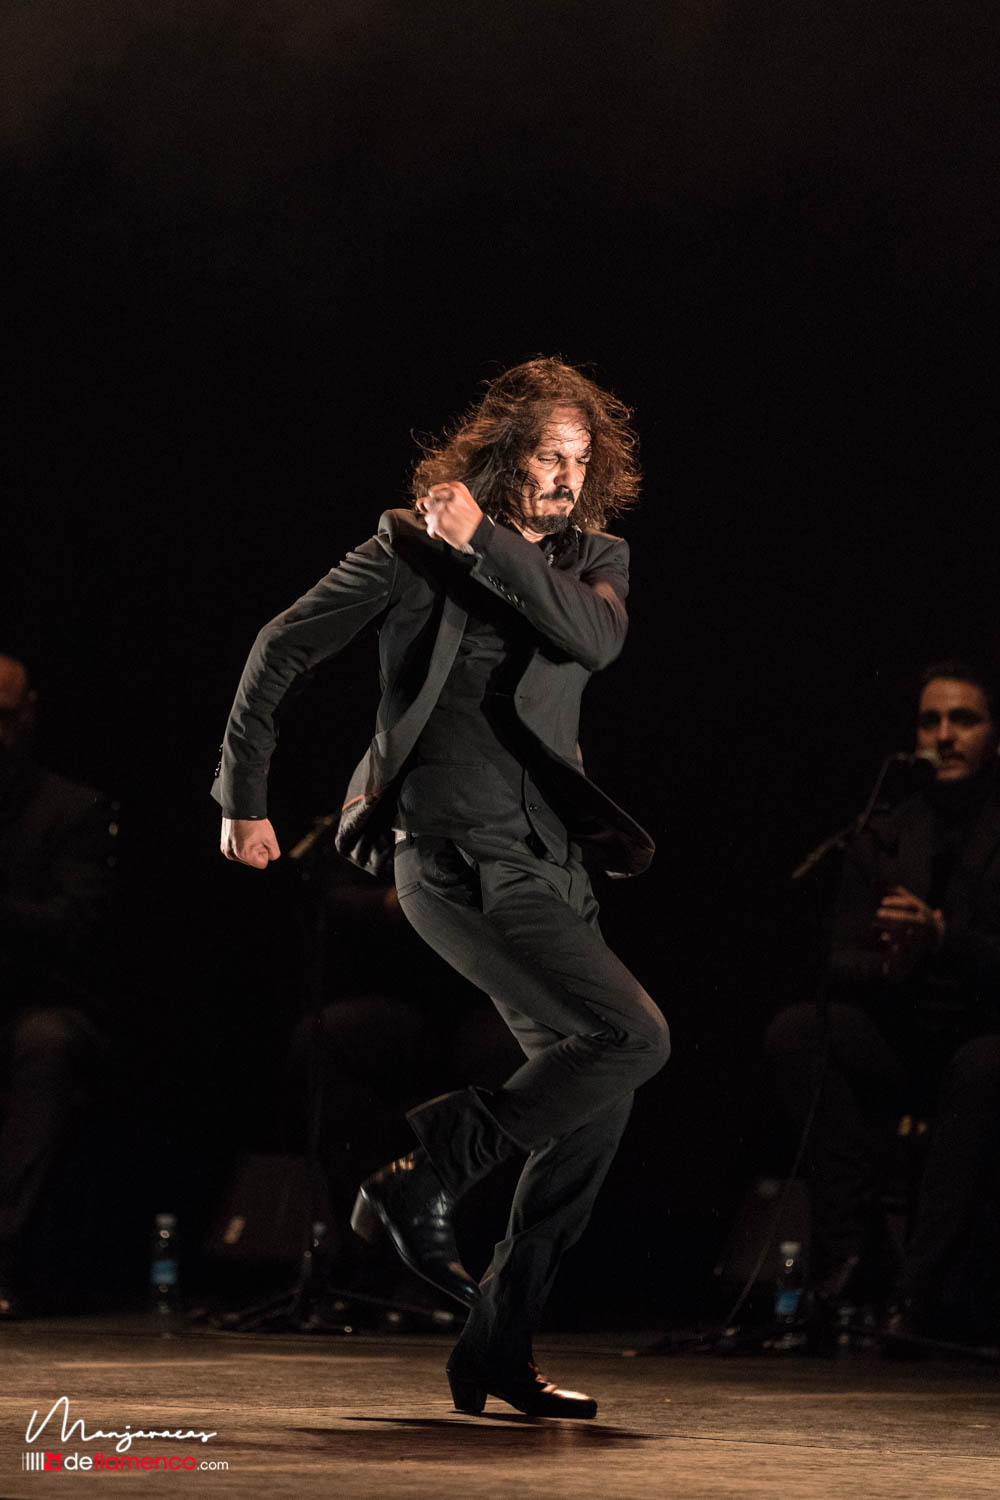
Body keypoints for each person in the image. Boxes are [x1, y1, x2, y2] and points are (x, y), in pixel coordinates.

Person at [214, 357, 670, 1416]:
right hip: (454, 854)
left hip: (556, 866)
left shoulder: (594, 561)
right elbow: (279, 648)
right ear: (504, 454)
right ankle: (422, 1174)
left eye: (580, 459)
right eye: (548, 456)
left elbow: (593, 639)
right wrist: (243, 797)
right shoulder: (407, 545)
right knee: (634, 1036)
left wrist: (489, 542)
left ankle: (496, 1349)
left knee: (596, 1095)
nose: (566, 476)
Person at [766, 660, 1000, 1344]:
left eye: (964, 720)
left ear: (996, 737)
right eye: (930, 721)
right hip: (909, 1034)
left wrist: (944, 939)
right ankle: (856, 1254)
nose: (944, 736)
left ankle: (919, 1291)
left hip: (984, 1035)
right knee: (800, 1032)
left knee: (984, 1067)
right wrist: (892, 965)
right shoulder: (886, 829)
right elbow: (835, 956)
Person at [0, 654, 114, 1317]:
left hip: (36, 1002)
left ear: (30, 716)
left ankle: (4, 1255)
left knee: (44, 1044)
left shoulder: (71, 810)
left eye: (5, 717)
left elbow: (71, 926)